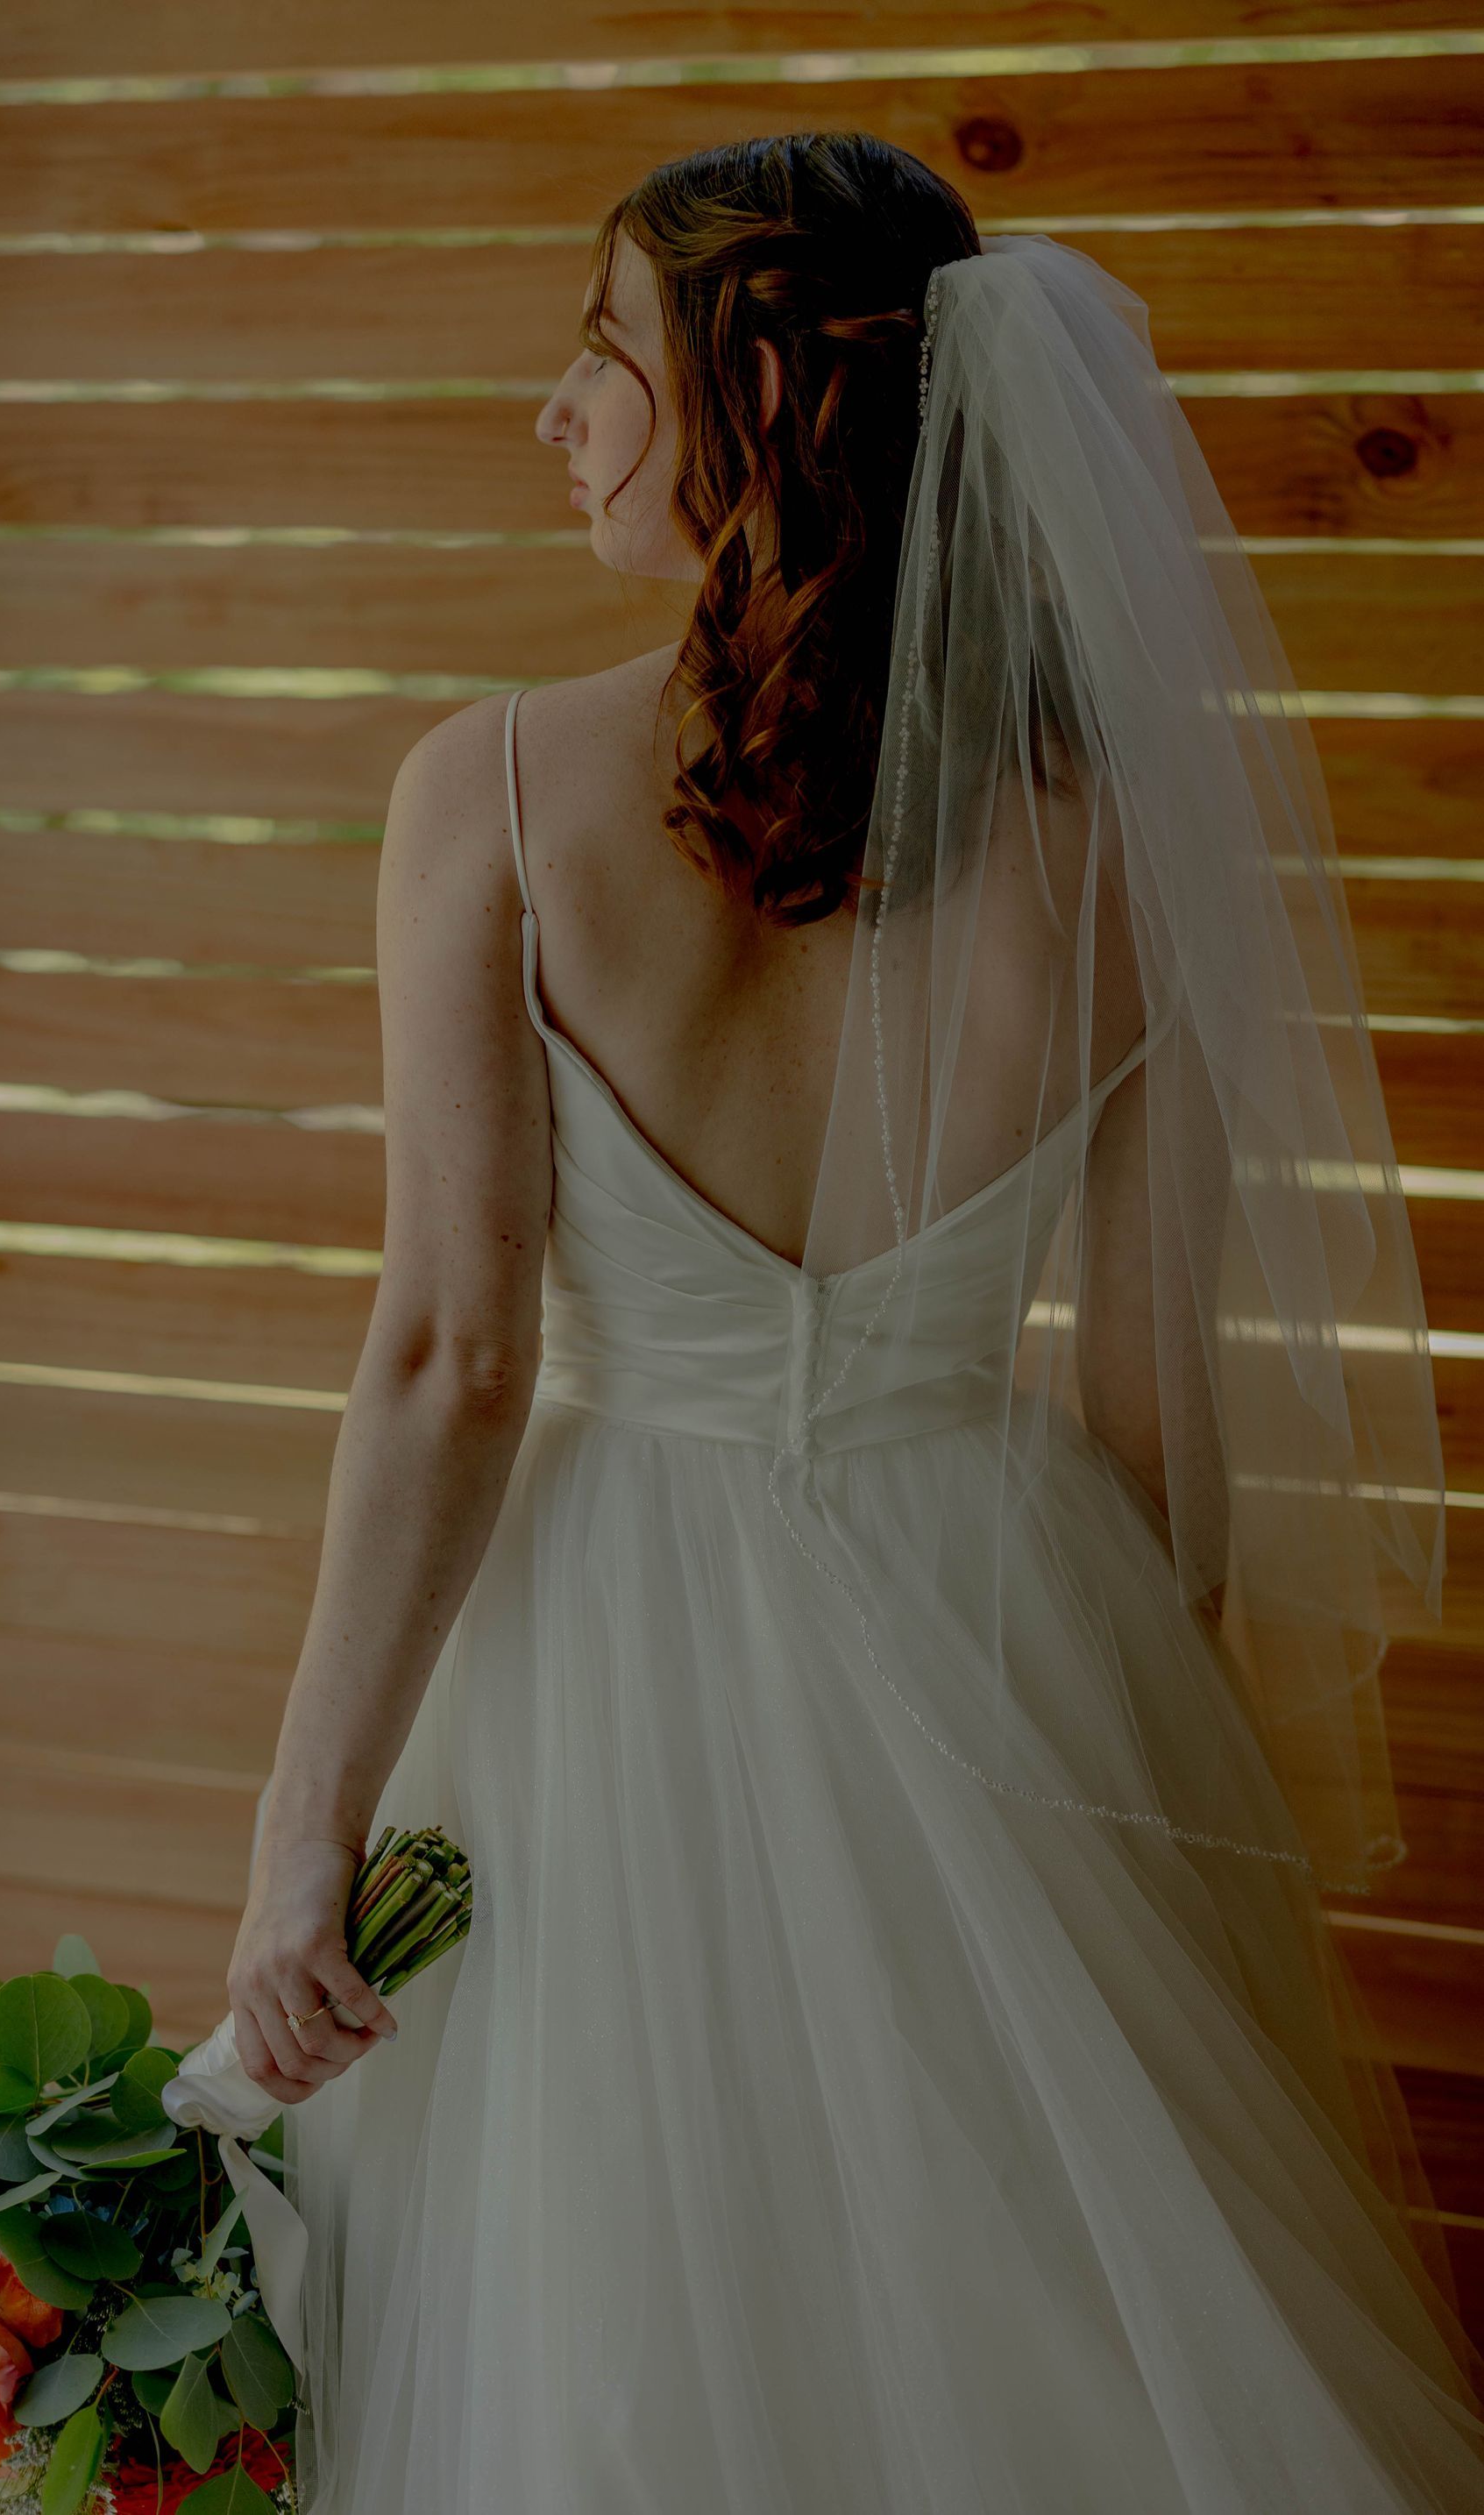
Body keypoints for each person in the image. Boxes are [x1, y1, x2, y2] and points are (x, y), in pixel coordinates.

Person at [224, 133, 1484, 2510]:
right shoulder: (1122, 833)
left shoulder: (489, 791)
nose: (556, 411)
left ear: (757, 400)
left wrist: (306, 1840)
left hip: (593, 1639)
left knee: (605, 2316)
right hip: (1002, 1616)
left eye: (604, 351)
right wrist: (1143, 1784)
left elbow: (449, 1357)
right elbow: (1147, 1405)